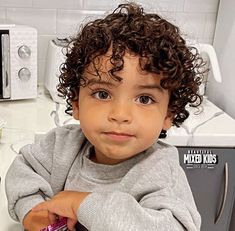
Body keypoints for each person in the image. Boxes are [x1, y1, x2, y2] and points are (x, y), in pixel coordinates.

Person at [5, 3, 206, 231]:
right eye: (102, 94)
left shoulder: (161, 174)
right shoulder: (61, 147)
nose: (120, 115)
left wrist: (81, 204)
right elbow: (22, 173)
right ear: (76, 103)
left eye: (144, 99)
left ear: (168, 114)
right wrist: (32, 209)